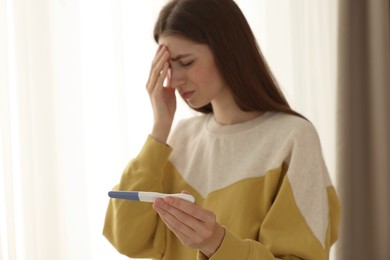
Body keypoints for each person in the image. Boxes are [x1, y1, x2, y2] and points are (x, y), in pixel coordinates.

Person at [103, 0, 340, 259]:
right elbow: (126, 239)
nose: (175, 79)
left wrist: (216, 243)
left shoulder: (292, 139)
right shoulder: (180, 138)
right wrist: (160, 126)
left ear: (227, 50)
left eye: (187, 61)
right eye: (168, 66)